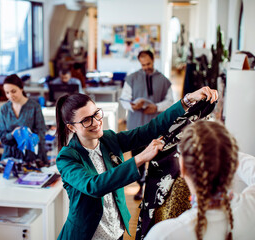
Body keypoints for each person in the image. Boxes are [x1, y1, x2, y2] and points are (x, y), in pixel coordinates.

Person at [55, 87, 217, 240]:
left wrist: (188, 100)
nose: (96, 122)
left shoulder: (109, 140)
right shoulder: (67, 158)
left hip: (116, 231)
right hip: (86, 235)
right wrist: (140, 158)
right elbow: (94, 186)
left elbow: (148, 130)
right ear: (71, 127)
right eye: (87, 120)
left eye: (97, 114)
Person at [145, 120, 255, 240]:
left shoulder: (165, 234)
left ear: (183, 167)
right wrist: (220, 149)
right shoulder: (251, 205)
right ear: (233, 164)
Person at [120, 50, 174, 200]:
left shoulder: (164, 80)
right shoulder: (131, 79)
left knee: (158, 156)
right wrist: (132, 106)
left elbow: (170, 101)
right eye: (143, 64)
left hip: (156, 125)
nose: (145, 67)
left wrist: (156, 107)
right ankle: (140, 186)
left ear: (153, 60)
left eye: (148, 64)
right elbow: (124, 100)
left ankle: (156, 189)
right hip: (136, 125)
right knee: (137, 157)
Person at [0, 74, 47, 164]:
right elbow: (2, 137)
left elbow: (41, 133)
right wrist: (13, 134)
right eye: (7, 92)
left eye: (13, 91)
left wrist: (28, 137)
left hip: (31, 155)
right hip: (10, 156)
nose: (10, 95)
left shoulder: (34, 107)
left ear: (21, 88)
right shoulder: (4, 109)